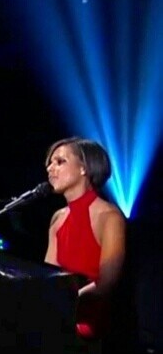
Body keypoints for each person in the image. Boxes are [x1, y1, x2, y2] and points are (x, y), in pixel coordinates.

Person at [43, 136, 126, 339]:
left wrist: (65, 302)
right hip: (60, 313)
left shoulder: (109, 216)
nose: (50, 169)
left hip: (92, 320)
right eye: (50, 163)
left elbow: (107, 283)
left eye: (60, 162)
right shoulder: (58, 218)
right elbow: (49, 276)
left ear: (84, 168)